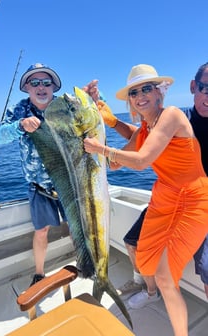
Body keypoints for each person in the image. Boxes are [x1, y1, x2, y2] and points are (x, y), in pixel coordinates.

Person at [84, 64, 208, 336]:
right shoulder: (145, 127)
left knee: (165, 277)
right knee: (143, 253)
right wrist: (94, 114)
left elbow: (141, 160)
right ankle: (152, 293)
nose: (141, 95)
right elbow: (117, 164)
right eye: (134, 91)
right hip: (164, 198)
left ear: (159, 92)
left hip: (193, 201)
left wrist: (100, 148)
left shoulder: (172, 115)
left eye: (147, 88)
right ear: (130, 99)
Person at [0, 63, 98, 287]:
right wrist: (20, 125)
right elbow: (0, 136)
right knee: (41, 231)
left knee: (77, 226)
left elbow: (90, 115)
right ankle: (39, 274)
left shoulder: (66, 106)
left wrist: (92, 98)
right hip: (39, 187)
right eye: (35, 82)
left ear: (53, 87)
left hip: (71, 183)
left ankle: (86, 264)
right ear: (27, 87)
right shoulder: (19, 109)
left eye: (46, 82)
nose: (41, 87)